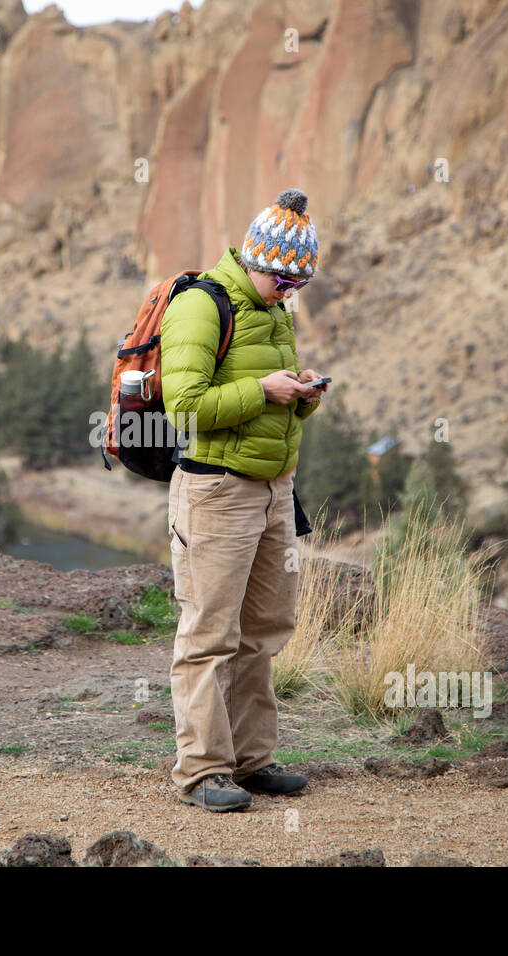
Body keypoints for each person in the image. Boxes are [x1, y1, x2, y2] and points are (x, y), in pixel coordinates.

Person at [159, 187, 329, 812]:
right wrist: (264, 390)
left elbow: (268, 400)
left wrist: (302, 396)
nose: (290, 293)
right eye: (283, 279)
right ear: (257, 259)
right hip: (215, 494)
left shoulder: (274, 309)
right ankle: (203, 772)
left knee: (264, 630)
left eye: (298, 283)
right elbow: (185, 407)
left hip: (274, 492)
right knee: (209, 634)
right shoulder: (202, 306)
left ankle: (252, 761)